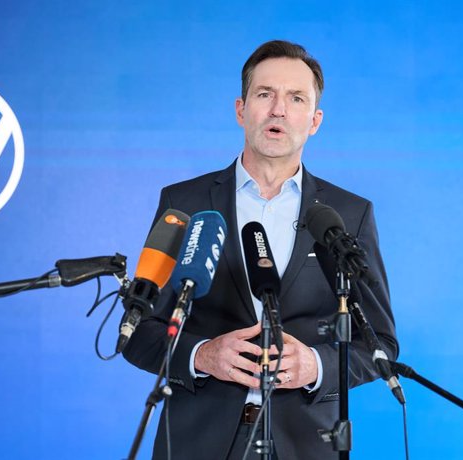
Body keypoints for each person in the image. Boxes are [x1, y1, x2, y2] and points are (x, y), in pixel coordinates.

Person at [123, 40, 398, 460]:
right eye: (265, 94)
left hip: (306, 443)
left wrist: (316, 366)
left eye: (296, 98)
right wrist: (202, 355)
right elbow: (138, 332)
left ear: (315, 120)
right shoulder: (185, 202)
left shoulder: (348, 213)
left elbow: (379, 343)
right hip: (197, 441)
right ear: (241, 108)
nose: (278, 110)